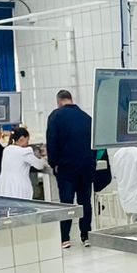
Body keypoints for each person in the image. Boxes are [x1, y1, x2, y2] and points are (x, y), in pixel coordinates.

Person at [45, 89, 95, 247]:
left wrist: (53, 163)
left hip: (66, 167)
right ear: (70, 99)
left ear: (59, 102)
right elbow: (94, 144)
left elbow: (52, 141)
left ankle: (65, 238)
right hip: (86, 166)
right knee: (85, 201)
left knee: (66, 203)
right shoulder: (87, 118)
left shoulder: (55, 116)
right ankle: (86, 236)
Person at [0, 127, 48, 198]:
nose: (28, 143)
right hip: (18, 186)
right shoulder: (24, 152)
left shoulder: (7, 150)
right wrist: (44, 159)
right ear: (22, 138)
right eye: (27, 141)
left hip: (5, 185)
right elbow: (39, 165)